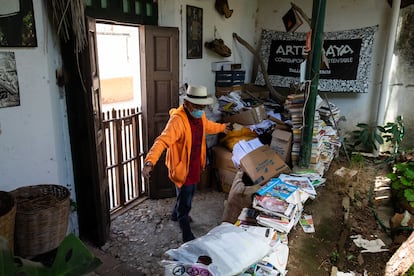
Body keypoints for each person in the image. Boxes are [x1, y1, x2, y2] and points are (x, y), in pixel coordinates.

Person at [142, 85, 231, 243]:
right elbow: (162, 141)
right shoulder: (177, 121)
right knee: (186, 198)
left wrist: (222, 128)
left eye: (202, 107)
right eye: (197, 107)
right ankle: (185, 230)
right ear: (187, 103)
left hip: (195, 164)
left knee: (185, 193)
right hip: (182, 168)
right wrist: (150, 161)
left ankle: (176, 214)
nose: (200, 110)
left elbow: (208, 126)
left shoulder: (199, 116)